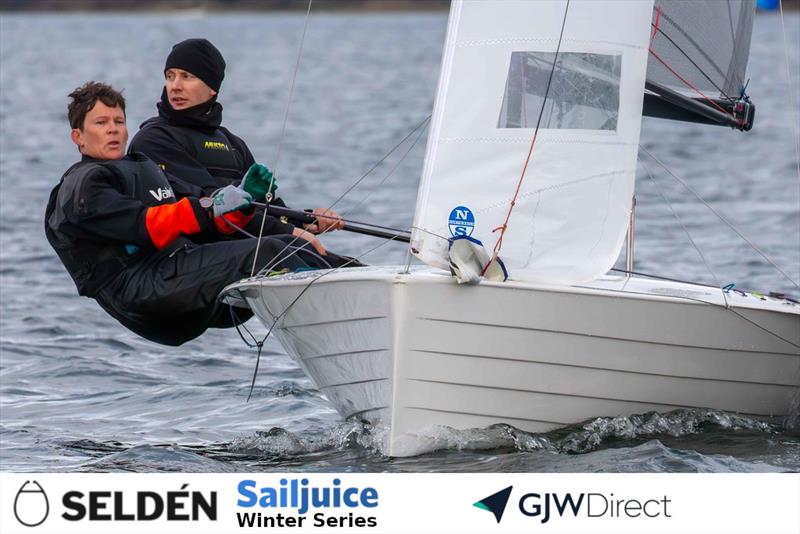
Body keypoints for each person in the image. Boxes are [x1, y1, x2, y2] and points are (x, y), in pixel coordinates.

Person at [46, 81, 347, 346]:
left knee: (292, 247)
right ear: (78, 137)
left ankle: (368, 282)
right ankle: (344, 314)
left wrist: (241, 203)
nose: (113, 129)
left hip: (179, 278)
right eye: (101, 123)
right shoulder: (83, 185)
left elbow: (201, 213)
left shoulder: (143, 166)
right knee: (267, 252)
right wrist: (212, 207)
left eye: (119, 121)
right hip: (140, 291)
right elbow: (145, 224)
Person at [128, 38, 343, 255]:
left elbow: (265, 206)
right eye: (170, 76)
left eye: (187, 76)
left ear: (212, 87)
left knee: (341, 262)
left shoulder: (232, 143)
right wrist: (288, 231)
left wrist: (306, 221)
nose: (175, 86)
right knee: (289, 247)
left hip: (244, 246)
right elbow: (214, 203)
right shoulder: (153, 139)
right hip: (190, 255)